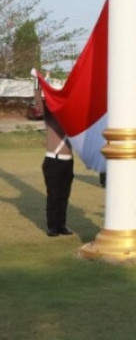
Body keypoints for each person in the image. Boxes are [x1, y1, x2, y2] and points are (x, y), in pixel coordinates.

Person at [35, 84, 74, 237]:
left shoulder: (72, 119)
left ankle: (61, 225)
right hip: (53, 161)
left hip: (68, 161)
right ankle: (52, 226)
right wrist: (37, 81)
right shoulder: (50, 116)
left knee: (64, 195)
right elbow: (39, 100)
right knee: (54, 195)